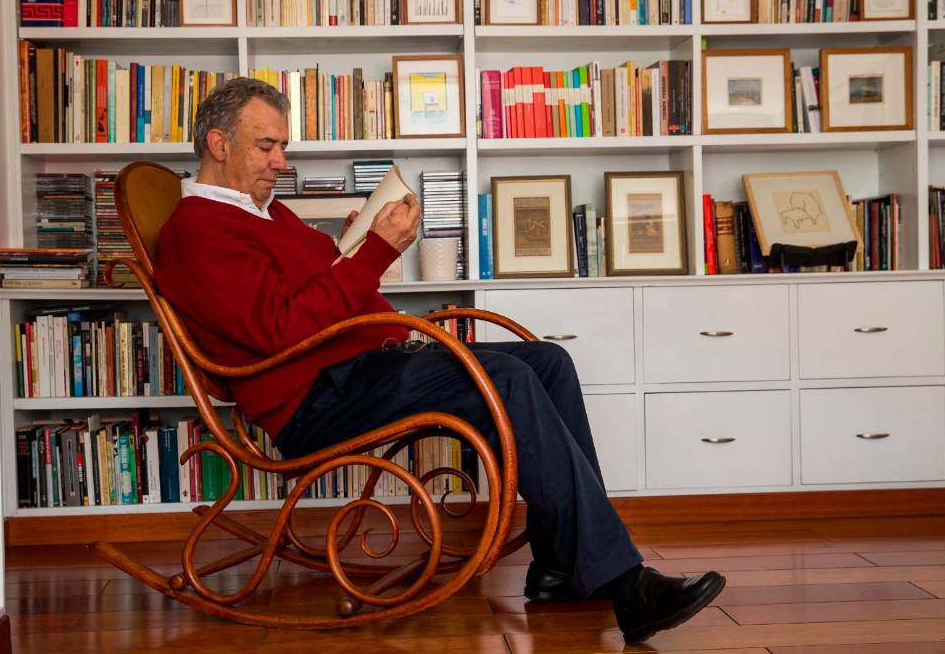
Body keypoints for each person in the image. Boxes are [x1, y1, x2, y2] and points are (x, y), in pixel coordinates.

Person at [153, 77, 725, 644]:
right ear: (218, 143)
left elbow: (315, 293)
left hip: (364, 365)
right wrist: (374, 254)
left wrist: (352, 250)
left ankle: (559, 570)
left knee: (548, 361)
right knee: (506, 378)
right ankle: (626, 584)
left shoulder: (265, 212)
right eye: (266, 146)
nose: (281, 161)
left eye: (283, 146)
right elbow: (278, 331)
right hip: (316, 399)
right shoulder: (198, 229)